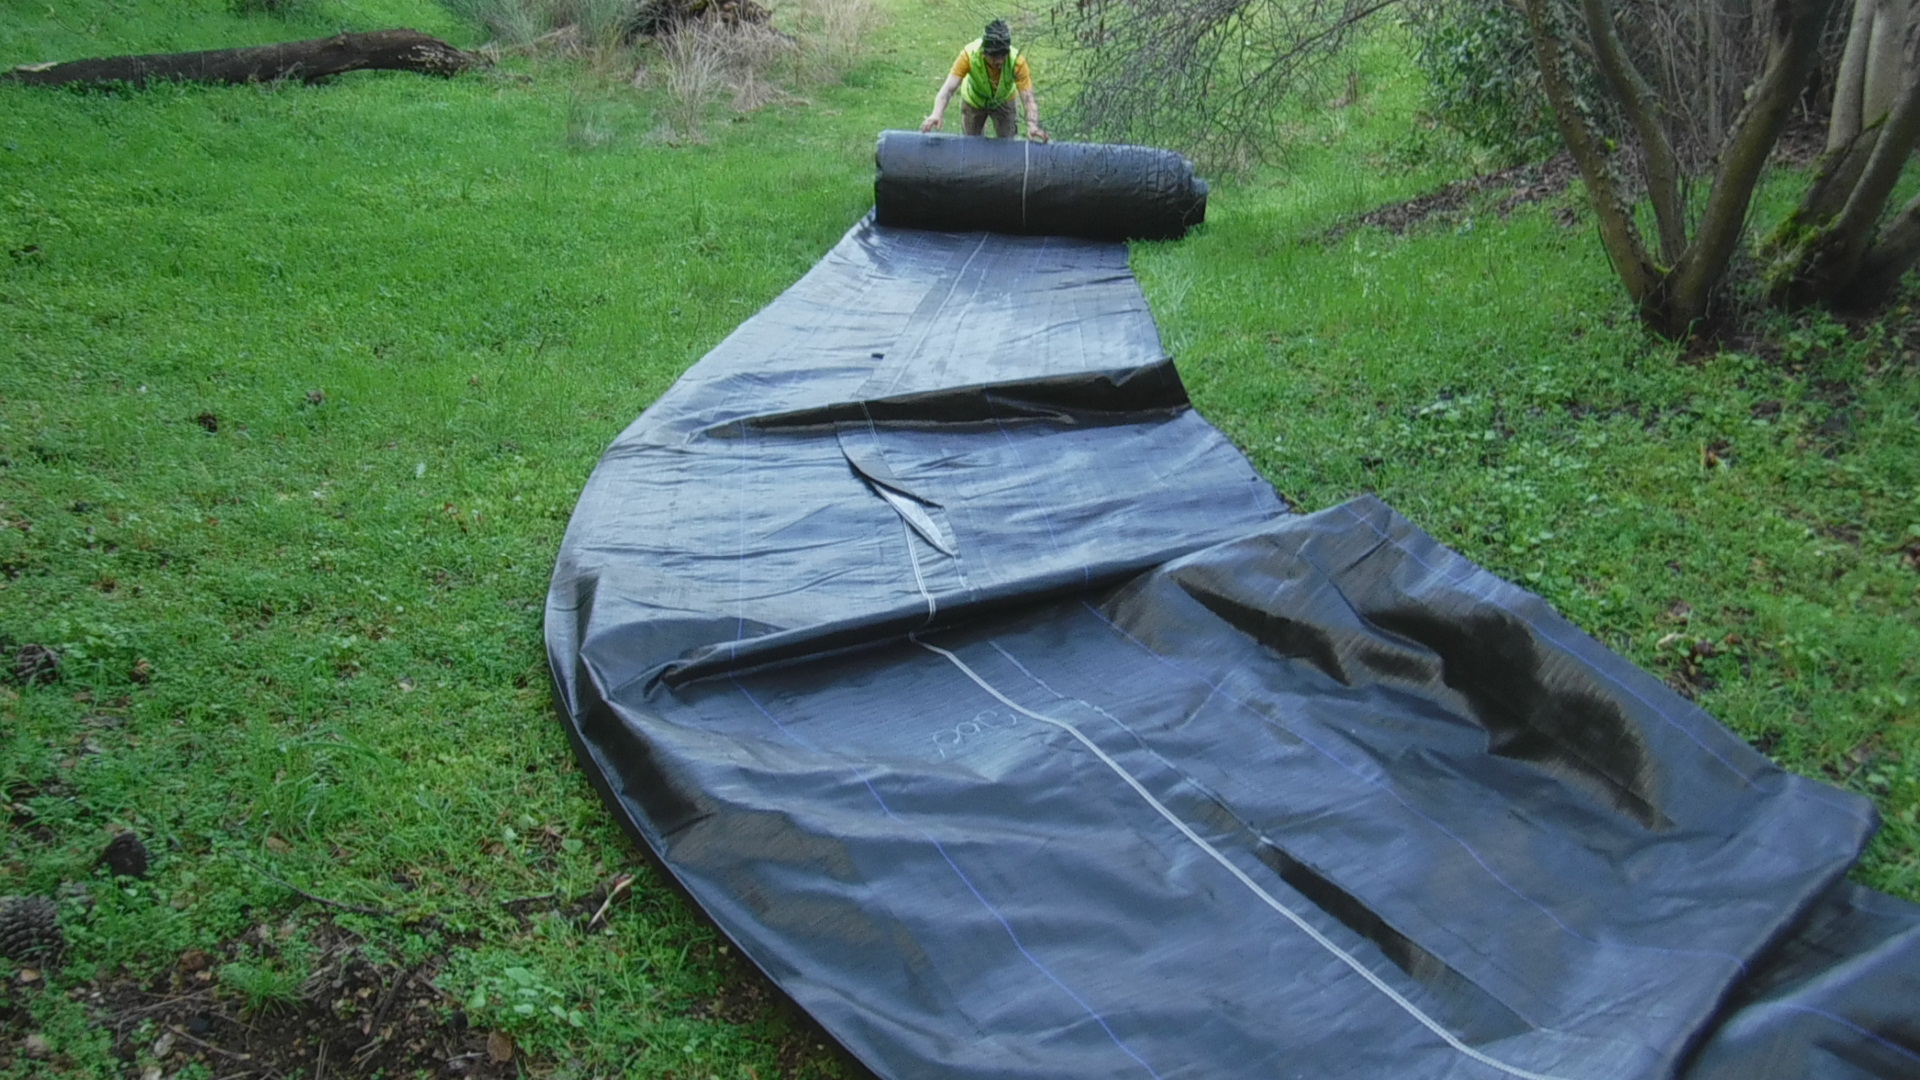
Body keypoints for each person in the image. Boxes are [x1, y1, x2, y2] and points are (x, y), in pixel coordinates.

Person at [919, 19, 1048, 142]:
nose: (1000, 61)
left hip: (1004, 101)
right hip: (974, 101)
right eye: (994, 56)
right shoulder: (968, 56)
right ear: (984, 52)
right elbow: (947, 91)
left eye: (1003, 55)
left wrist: (1033, 126)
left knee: (1008, 144)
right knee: (971, 144)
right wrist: (936, 114)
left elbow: (1028, 99)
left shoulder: (1017, 62)